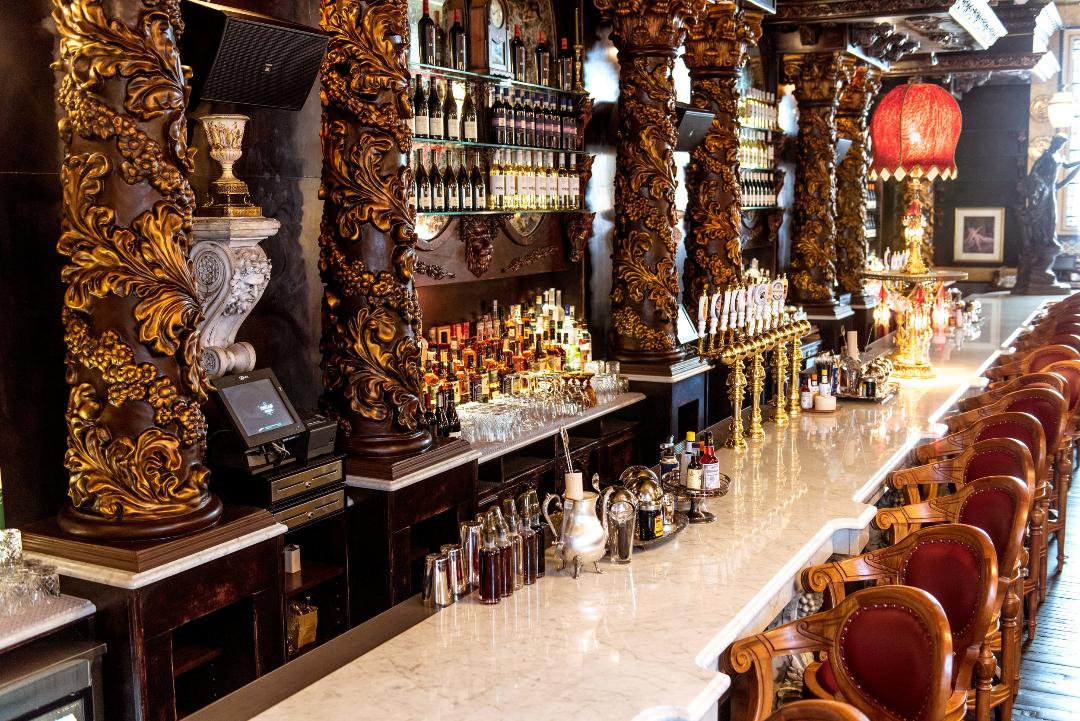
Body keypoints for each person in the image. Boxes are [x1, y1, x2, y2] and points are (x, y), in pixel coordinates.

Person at [1015, 134, 1080, 293]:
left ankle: (1048, 240)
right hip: (1043, 192)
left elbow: (1067, 166)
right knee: (1042, 220)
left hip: (1051, 192)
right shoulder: (1046, 156)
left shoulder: (1059, 157)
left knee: (1052, 220)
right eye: (1058, 143)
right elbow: (1034, 173)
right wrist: (1037, 188)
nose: (1059, 146)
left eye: (1062, 144)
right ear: (1054, 142)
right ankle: (1043, 241)